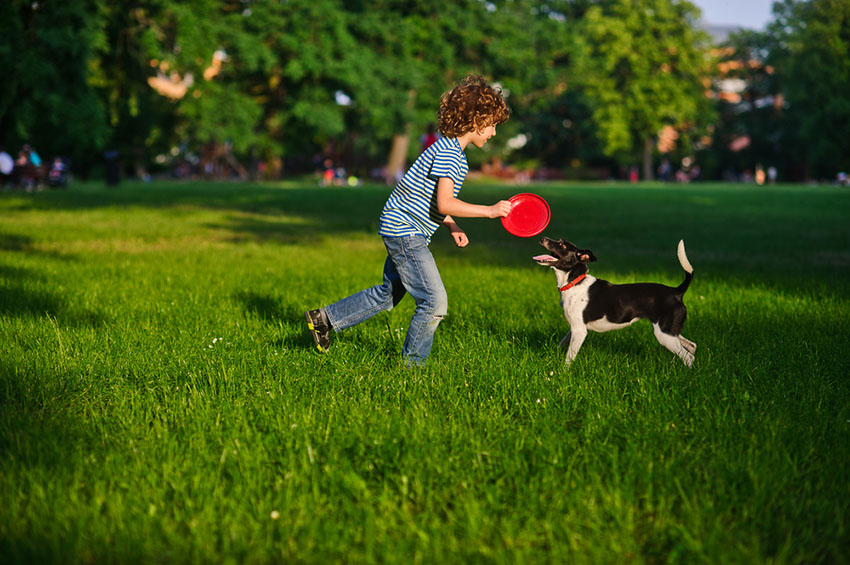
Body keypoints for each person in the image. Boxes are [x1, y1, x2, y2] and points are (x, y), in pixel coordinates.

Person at [305, 74, 511, 366]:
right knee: (434, 302)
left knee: (389, 294)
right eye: (492, 125)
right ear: (475, 120)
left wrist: (451, 224)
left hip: (400, 226)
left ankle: (325, 319)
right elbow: (445, 201)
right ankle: (412, 367)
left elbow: (428, 198)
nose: (493, 133)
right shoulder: (451, 155)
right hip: (405, 232)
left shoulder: (447, 148)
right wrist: (490, 210)